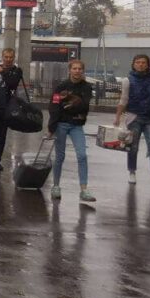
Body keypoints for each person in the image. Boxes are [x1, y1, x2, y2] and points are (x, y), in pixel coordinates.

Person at [115, 54, 150, 187]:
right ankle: (132, 172)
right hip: (134, 118)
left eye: (143, 62)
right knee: (133, 147)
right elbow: (123, 100)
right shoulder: (127, 80)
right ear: (133, 64)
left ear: (148, 65)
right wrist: (117, 117)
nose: (141, 64)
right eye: (138, 62)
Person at [48, 59, 95, 202]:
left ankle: (84, 190)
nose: (77, 71)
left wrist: (68, 106)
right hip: (61, 124)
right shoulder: (60, 87)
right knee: (60, 157)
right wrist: (52, 127)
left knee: (82, 155)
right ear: (70, 70)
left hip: (77, 125)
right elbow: (54, 106)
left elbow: (85, 106)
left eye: (80, 69)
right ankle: (56, 186)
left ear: (83, 71)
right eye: (74, 68)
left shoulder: (86, 87)